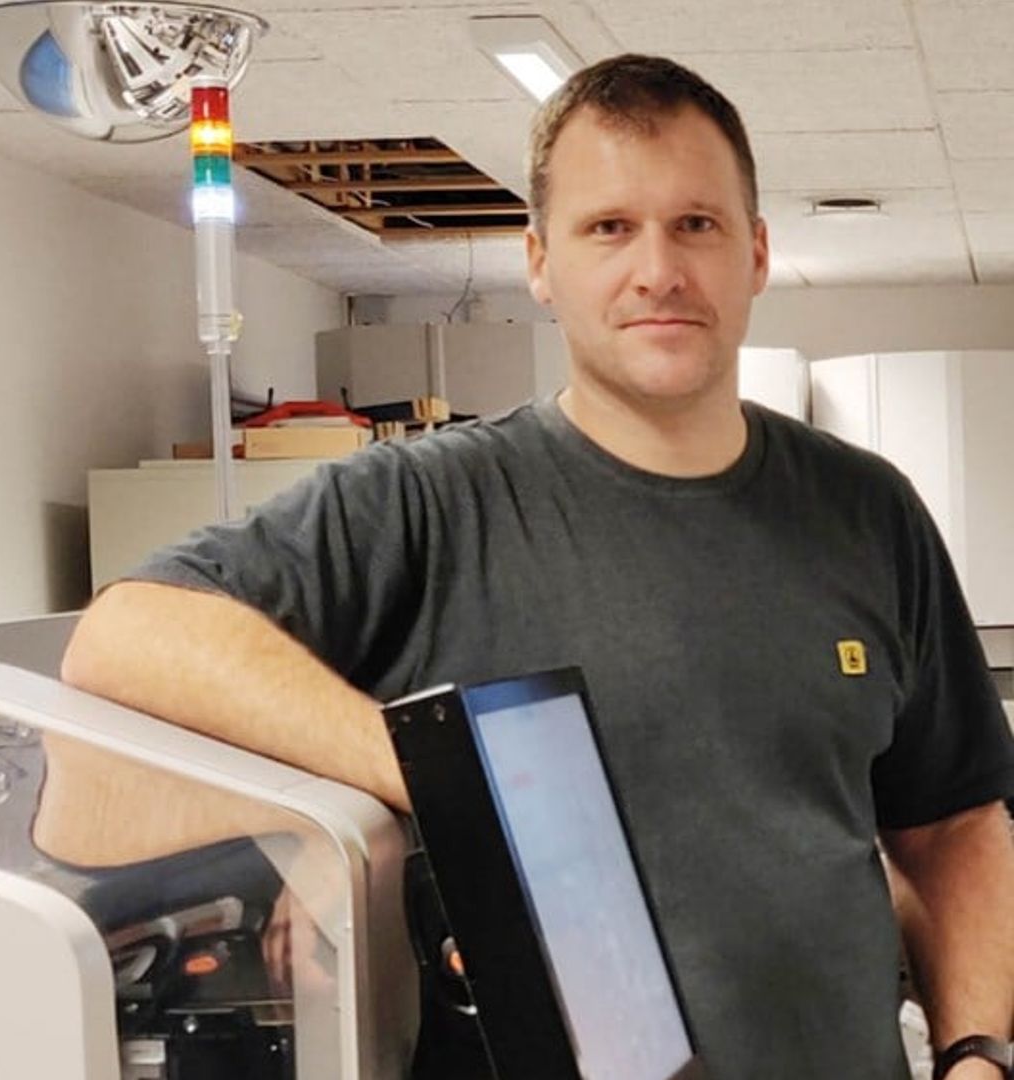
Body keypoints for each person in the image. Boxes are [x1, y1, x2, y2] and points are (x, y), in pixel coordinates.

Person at [62, 54, 1014, 1080]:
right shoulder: (425, 504)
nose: (658, 270)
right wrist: (436, 780)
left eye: (696, 223)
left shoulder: (869, 511)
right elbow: (129, 633)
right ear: (541, 262)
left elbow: (954, 824)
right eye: (609, 228)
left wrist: (976, 1055)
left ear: (755, 252)